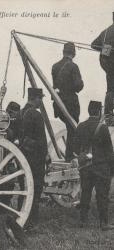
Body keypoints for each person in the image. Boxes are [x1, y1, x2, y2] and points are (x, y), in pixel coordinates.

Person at [73, 101, 114, 230]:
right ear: (99, 112)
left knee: (85, 193)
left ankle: (83, 221)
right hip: (101, 168)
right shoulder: (103, 128)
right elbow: (109, 151)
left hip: (85, 167)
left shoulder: (81, 126)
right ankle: (104, 223)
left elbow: (75, 147)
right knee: (102, 196)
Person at [19, 88, 48, 228]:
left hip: (21, 156)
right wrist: (46, 156)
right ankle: (31, 222)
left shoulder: (20, 112)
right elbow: (42, 140)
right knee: (36, 190)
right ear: (35, 98)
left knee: (24, 189)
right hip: (35, 158)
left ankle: (20, 217)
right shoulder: (36, 115)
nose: (41, 101)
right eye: (40, 98)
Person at [52, 42, 84, 162]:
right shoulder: (73, 67)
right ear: (73, 53)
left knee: (70, 128)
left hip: (58, 105)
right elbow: (78, 86)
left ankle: (70, 154)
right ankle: (70, 155)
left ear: (63, 52)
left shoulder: (55, 66)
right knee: (73, 129)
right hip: (71, 104)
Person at [91, 13, 114, 115]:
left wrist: (105, 49)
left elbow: (93, 45)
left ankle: (108, 113)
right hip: (111, 63)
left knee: (110, 88)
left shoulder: (106, 31)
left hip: (106, 63)